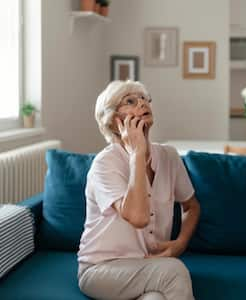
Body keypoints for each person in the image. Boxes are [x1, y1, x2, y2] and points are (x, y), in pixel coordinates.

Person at [77, 80, 201, 300]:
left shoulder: (169, 156)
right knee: (174, 271)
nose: (142, 103)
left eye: (145, 99)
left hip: (147, 267)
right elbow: (138, 217)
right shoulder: (105, 164)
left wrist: (180, 244)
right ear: (115, 122)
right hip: (101, 269)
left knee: (155, 298)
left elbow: (191, 206)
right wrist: (137, 154)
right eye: (131, 101)